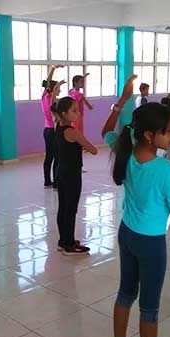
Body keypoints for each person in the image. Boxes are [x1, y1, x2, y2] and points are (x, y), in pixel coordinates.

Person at [102, 76, 170, 337]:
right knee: (149, 306)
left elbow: (105, 132)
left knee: (126, 293)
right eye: (168, 131)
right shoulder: (164, 169)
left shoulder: (124, 150)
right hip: (151, 243)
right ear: (151, 136)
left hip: (127, 234)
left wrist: (121, 100)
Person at [52, 97, 98, 255]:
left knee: (63, 207)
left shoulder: (58, 126)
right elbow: (94, 149)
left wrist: (78, 146)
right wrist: (82, 144)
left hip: (61, 171)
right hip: (72, 173)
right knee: (71, 209)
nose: (78, 113)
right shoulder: (72, 132)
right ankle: (69, 245)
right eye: (74, 110)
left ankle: (63, 241)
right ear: (64, 113)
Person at [41, 65, 64, 189]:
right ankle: (56, 183)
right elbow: (49, 85)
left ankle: (47, 181)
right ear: (53, 89)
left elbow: (47, 82)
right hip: (53, 131)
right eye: (58, 88)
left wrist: (54, 69)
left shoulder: (44, 96)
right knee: (57, 156)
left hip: (46, 131)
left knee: (49, 156)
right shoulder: (52, 100)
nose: (59, 90)